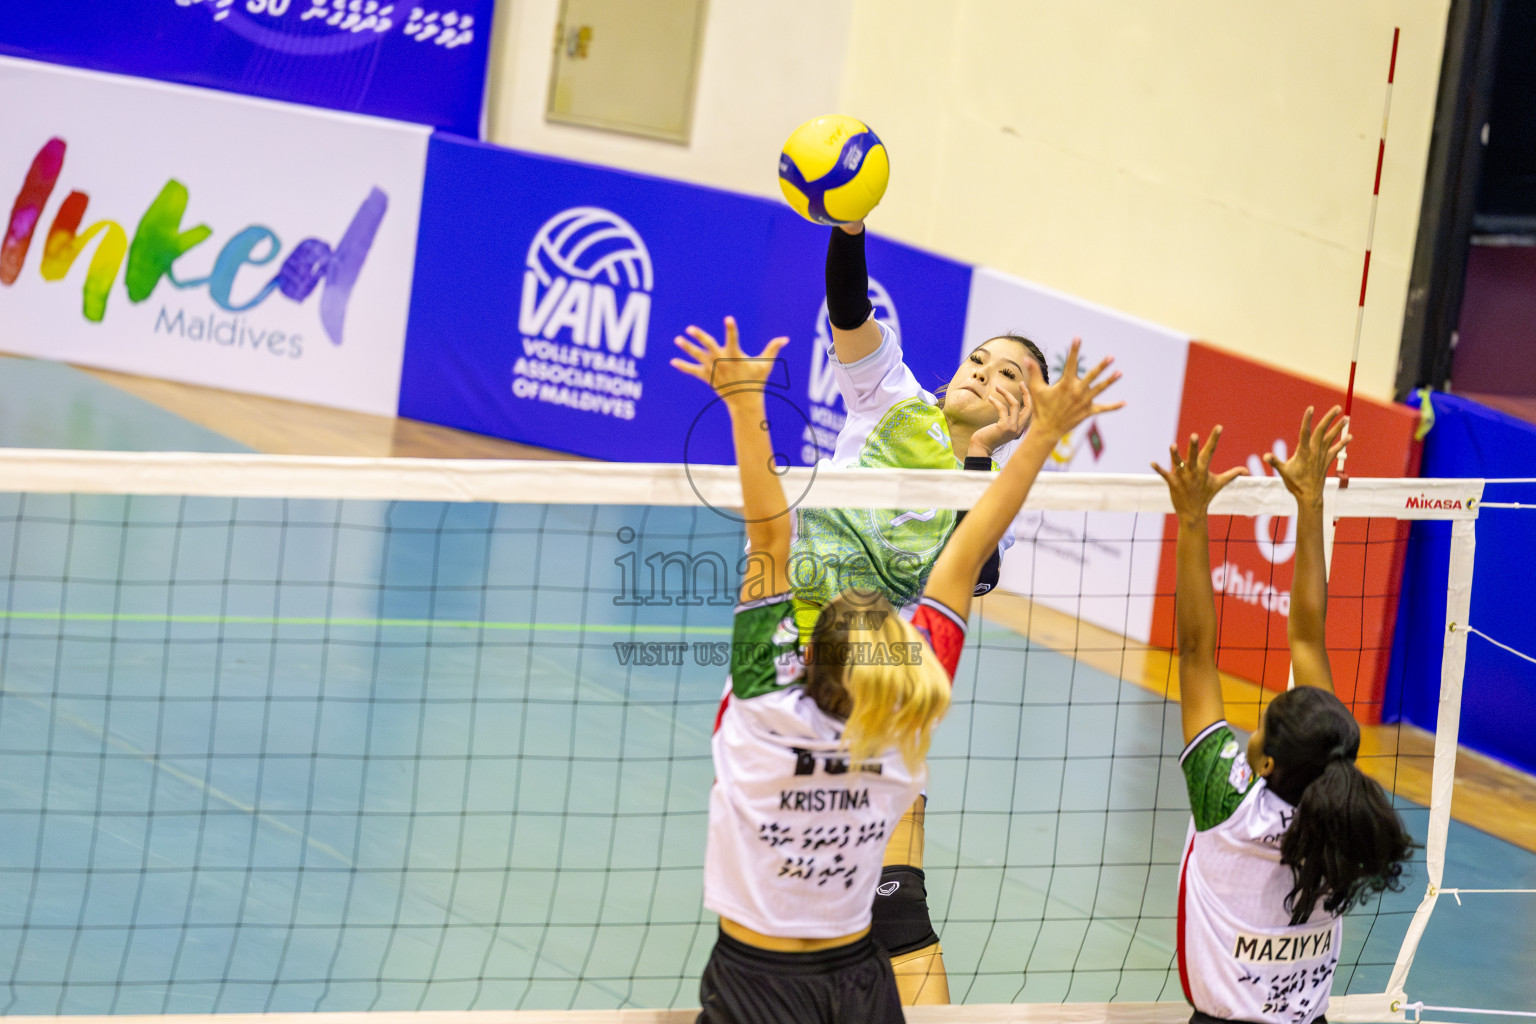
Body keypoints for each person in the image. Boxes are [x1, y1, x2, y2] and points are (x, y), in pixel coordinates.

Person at [671, 317, 1121, 1024]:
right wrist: (1039, 442)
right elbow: (963, 558)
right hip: (856, 984)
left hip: (754, 985)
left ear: (809, 653)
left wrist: (743, 403)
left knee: (904, 905)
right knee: (901, 901)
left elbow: (770, 534)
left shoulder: (761, 707)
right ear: (900, 660)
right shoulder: (904, 726)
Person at [805, 219, 1061, 1003]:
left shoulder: (989, 495)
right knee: (811, 915)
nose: (983, 376)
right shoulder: (889, 398)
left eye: (1007, 378)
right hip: (796, 675)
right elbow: (848, 307)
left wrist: (982, 455)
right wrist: (849, 226)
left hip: (886, 702)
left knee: (893, 910)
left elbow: (967, 570)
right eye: (979, 361)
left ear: (1021, 413)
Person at [1153, 408, 1415, 1024]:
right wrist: (1311, 498)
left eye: (1264, 722)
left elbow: (1195, 655)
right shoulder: (1338, 801)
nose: (1251, 726)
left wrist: (1193, 519)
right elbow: (1307, 641)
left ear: (1266, 762)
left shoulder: (1228, 803)